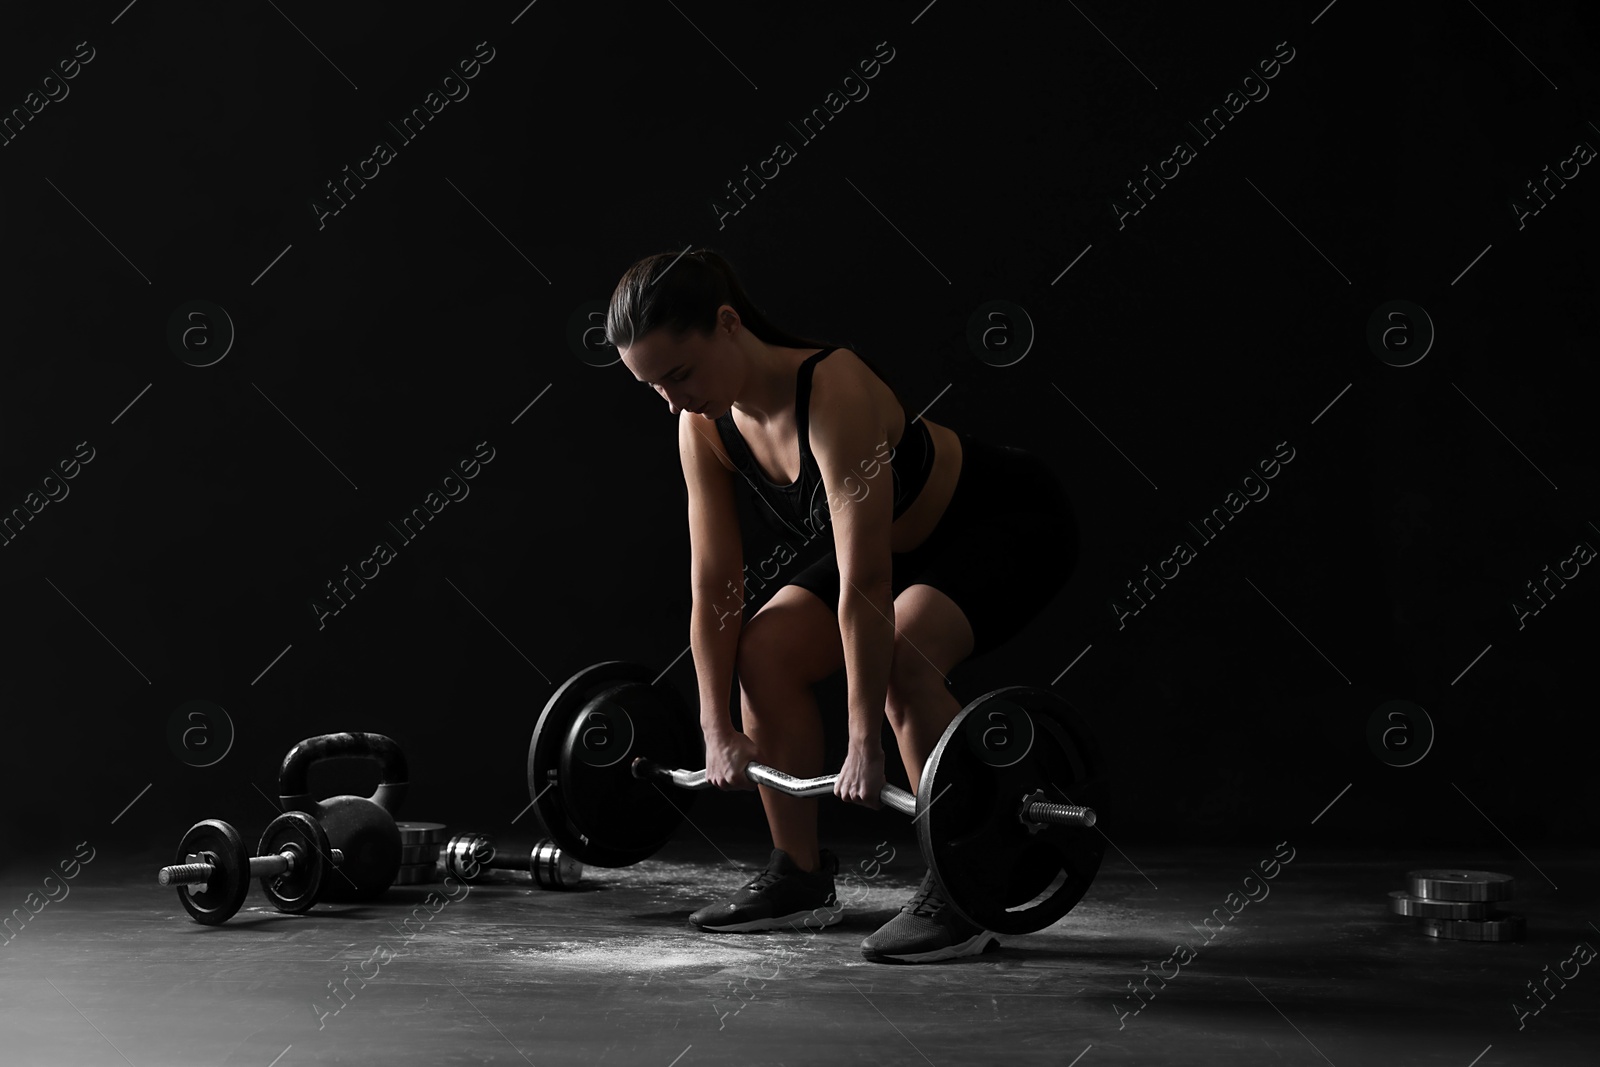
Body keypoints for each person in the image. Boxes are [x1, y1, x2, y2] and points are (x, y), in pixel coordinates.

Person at [608, 248, 1079, 963]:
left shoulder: (833, 390)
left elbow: (864, 581)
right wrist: (717, 727)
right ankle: (797, 875)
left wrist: (864, 740)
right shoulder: (702, 423)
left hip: (1004, 522)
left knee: (907, 657)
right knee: (764, 650)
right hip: (899, 546)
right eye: (652, 387)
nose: (672, 399)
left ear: (728, 324)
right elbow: (715, 587)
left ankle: (968, 887)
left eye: (679, 374)